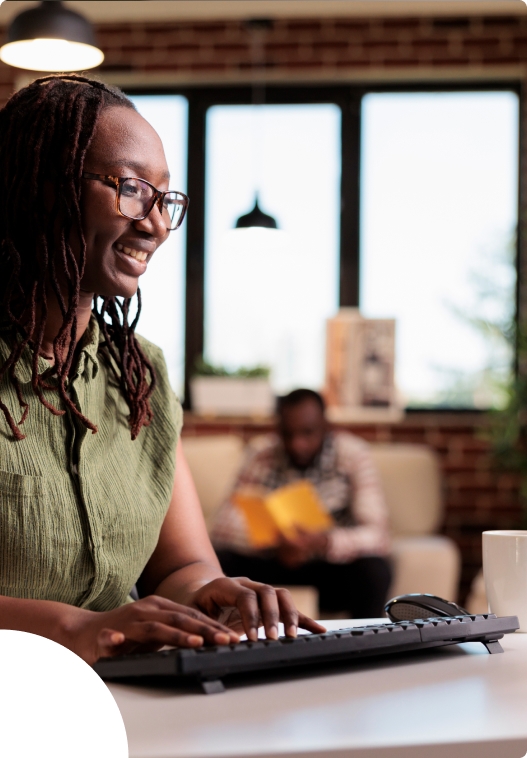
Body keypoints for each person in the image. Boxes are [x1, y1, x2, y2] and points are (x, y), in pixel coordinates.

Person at [0, 74, 324, 666]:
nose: (155, 223)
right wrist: (75, 628)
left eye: (164, 198)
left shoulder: (138, 372)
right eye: (129, 187)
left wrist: (210, 595)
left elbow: (178, 565)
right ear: (40, 188)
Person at [212, 389, 392, 618]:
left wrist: (323, 541)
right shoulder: (261, 453)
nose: (297, 444)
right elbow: (221, 526)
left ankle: (364, 646)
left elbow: (378, 535)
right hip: (273, 561)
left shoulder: (353, 454)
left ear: (326, 425)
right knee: (218, 559)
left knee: (375, 570)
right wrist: (277, 543)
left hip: (328, 568)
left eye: (308, 433)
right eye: (288, 435)